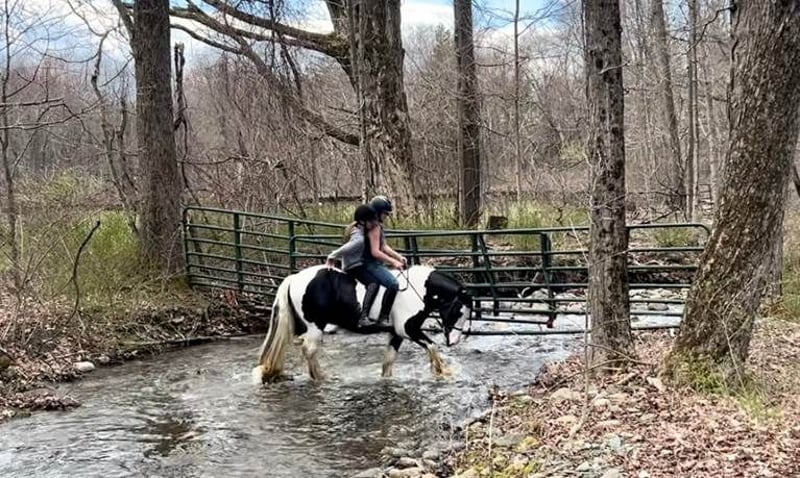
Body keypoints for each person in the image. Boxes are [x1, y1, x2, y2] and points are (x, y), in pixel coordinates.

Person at [326, 203, 404, 327]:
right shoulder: (360, 236)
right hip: (354, 265)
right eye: (384, 214)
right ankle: (370, 317)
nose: (374, 223)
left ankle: (371, 317)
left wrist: (397, 256)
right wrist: (332, 255)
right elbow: (350, 248)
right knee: (378, 284)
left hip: (358, 263)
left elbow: (383, 245)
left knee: (375, 283)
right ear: (364, 221)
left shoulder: (365, 227)